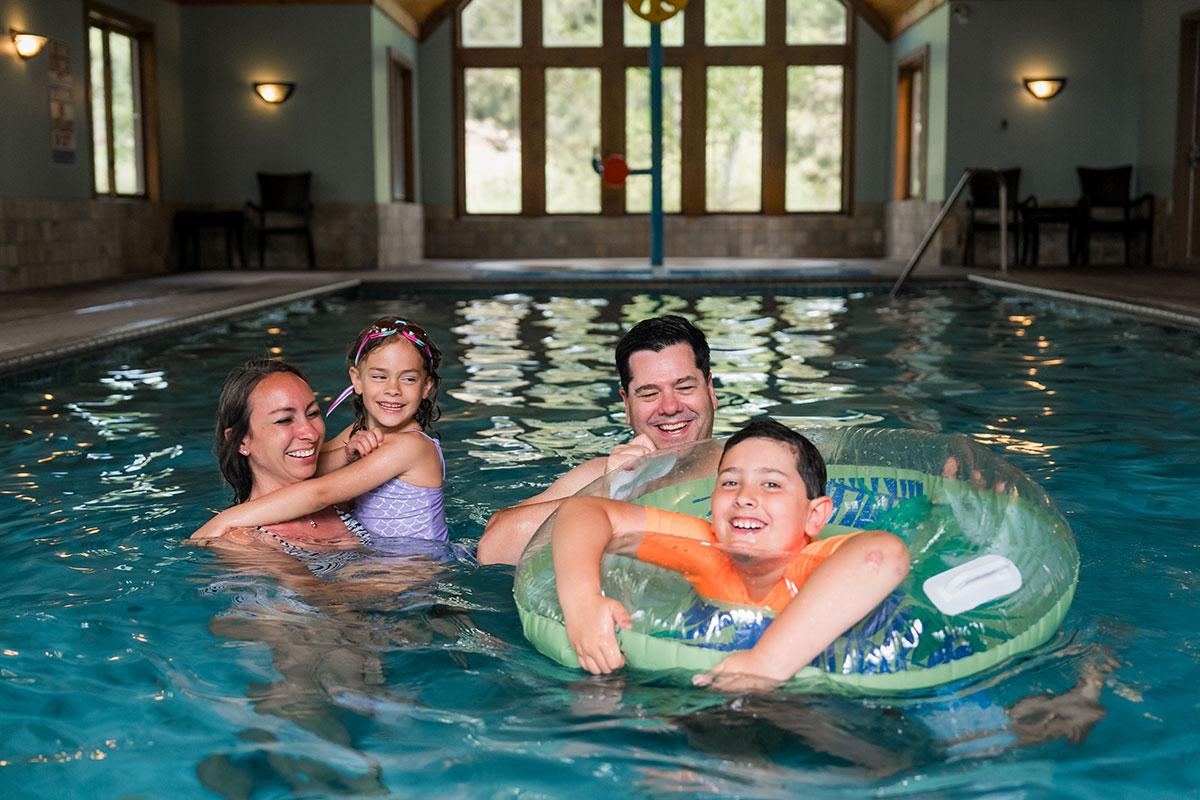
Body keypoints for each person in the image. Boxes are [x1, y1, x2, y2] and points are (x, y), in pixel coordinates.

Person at [550, 418, 910, 692]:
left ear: (814, 516)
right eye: (730, 482)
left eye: (771, 484)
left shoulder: (816, 564)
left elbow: (884, 553)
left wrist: (765, 664)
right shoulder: (706, 549)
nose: (744, 497)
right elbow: (583, 512)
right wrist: (583, 601)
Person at [192, 317, 449, 553]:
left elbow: (320, 493)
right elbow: (312, 460)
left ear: (426, 387)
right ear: (357, 380)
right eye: (380, 376)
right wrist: (348, 453)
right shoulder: (359, 431)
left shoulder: (411, 446)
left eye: (408, 380)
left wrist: (226, 519)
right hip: (382, 561)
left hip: (418, 569)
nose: (393, 390)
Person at [478, 314, 717, 565]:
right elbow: (494, 549)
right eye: (649, 393)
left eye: (685, 388)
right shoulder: (602, 477)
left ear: (710, 390)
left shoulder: (749, 464)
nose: (669, 407)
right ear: (627, 404)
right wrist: (614, 493)